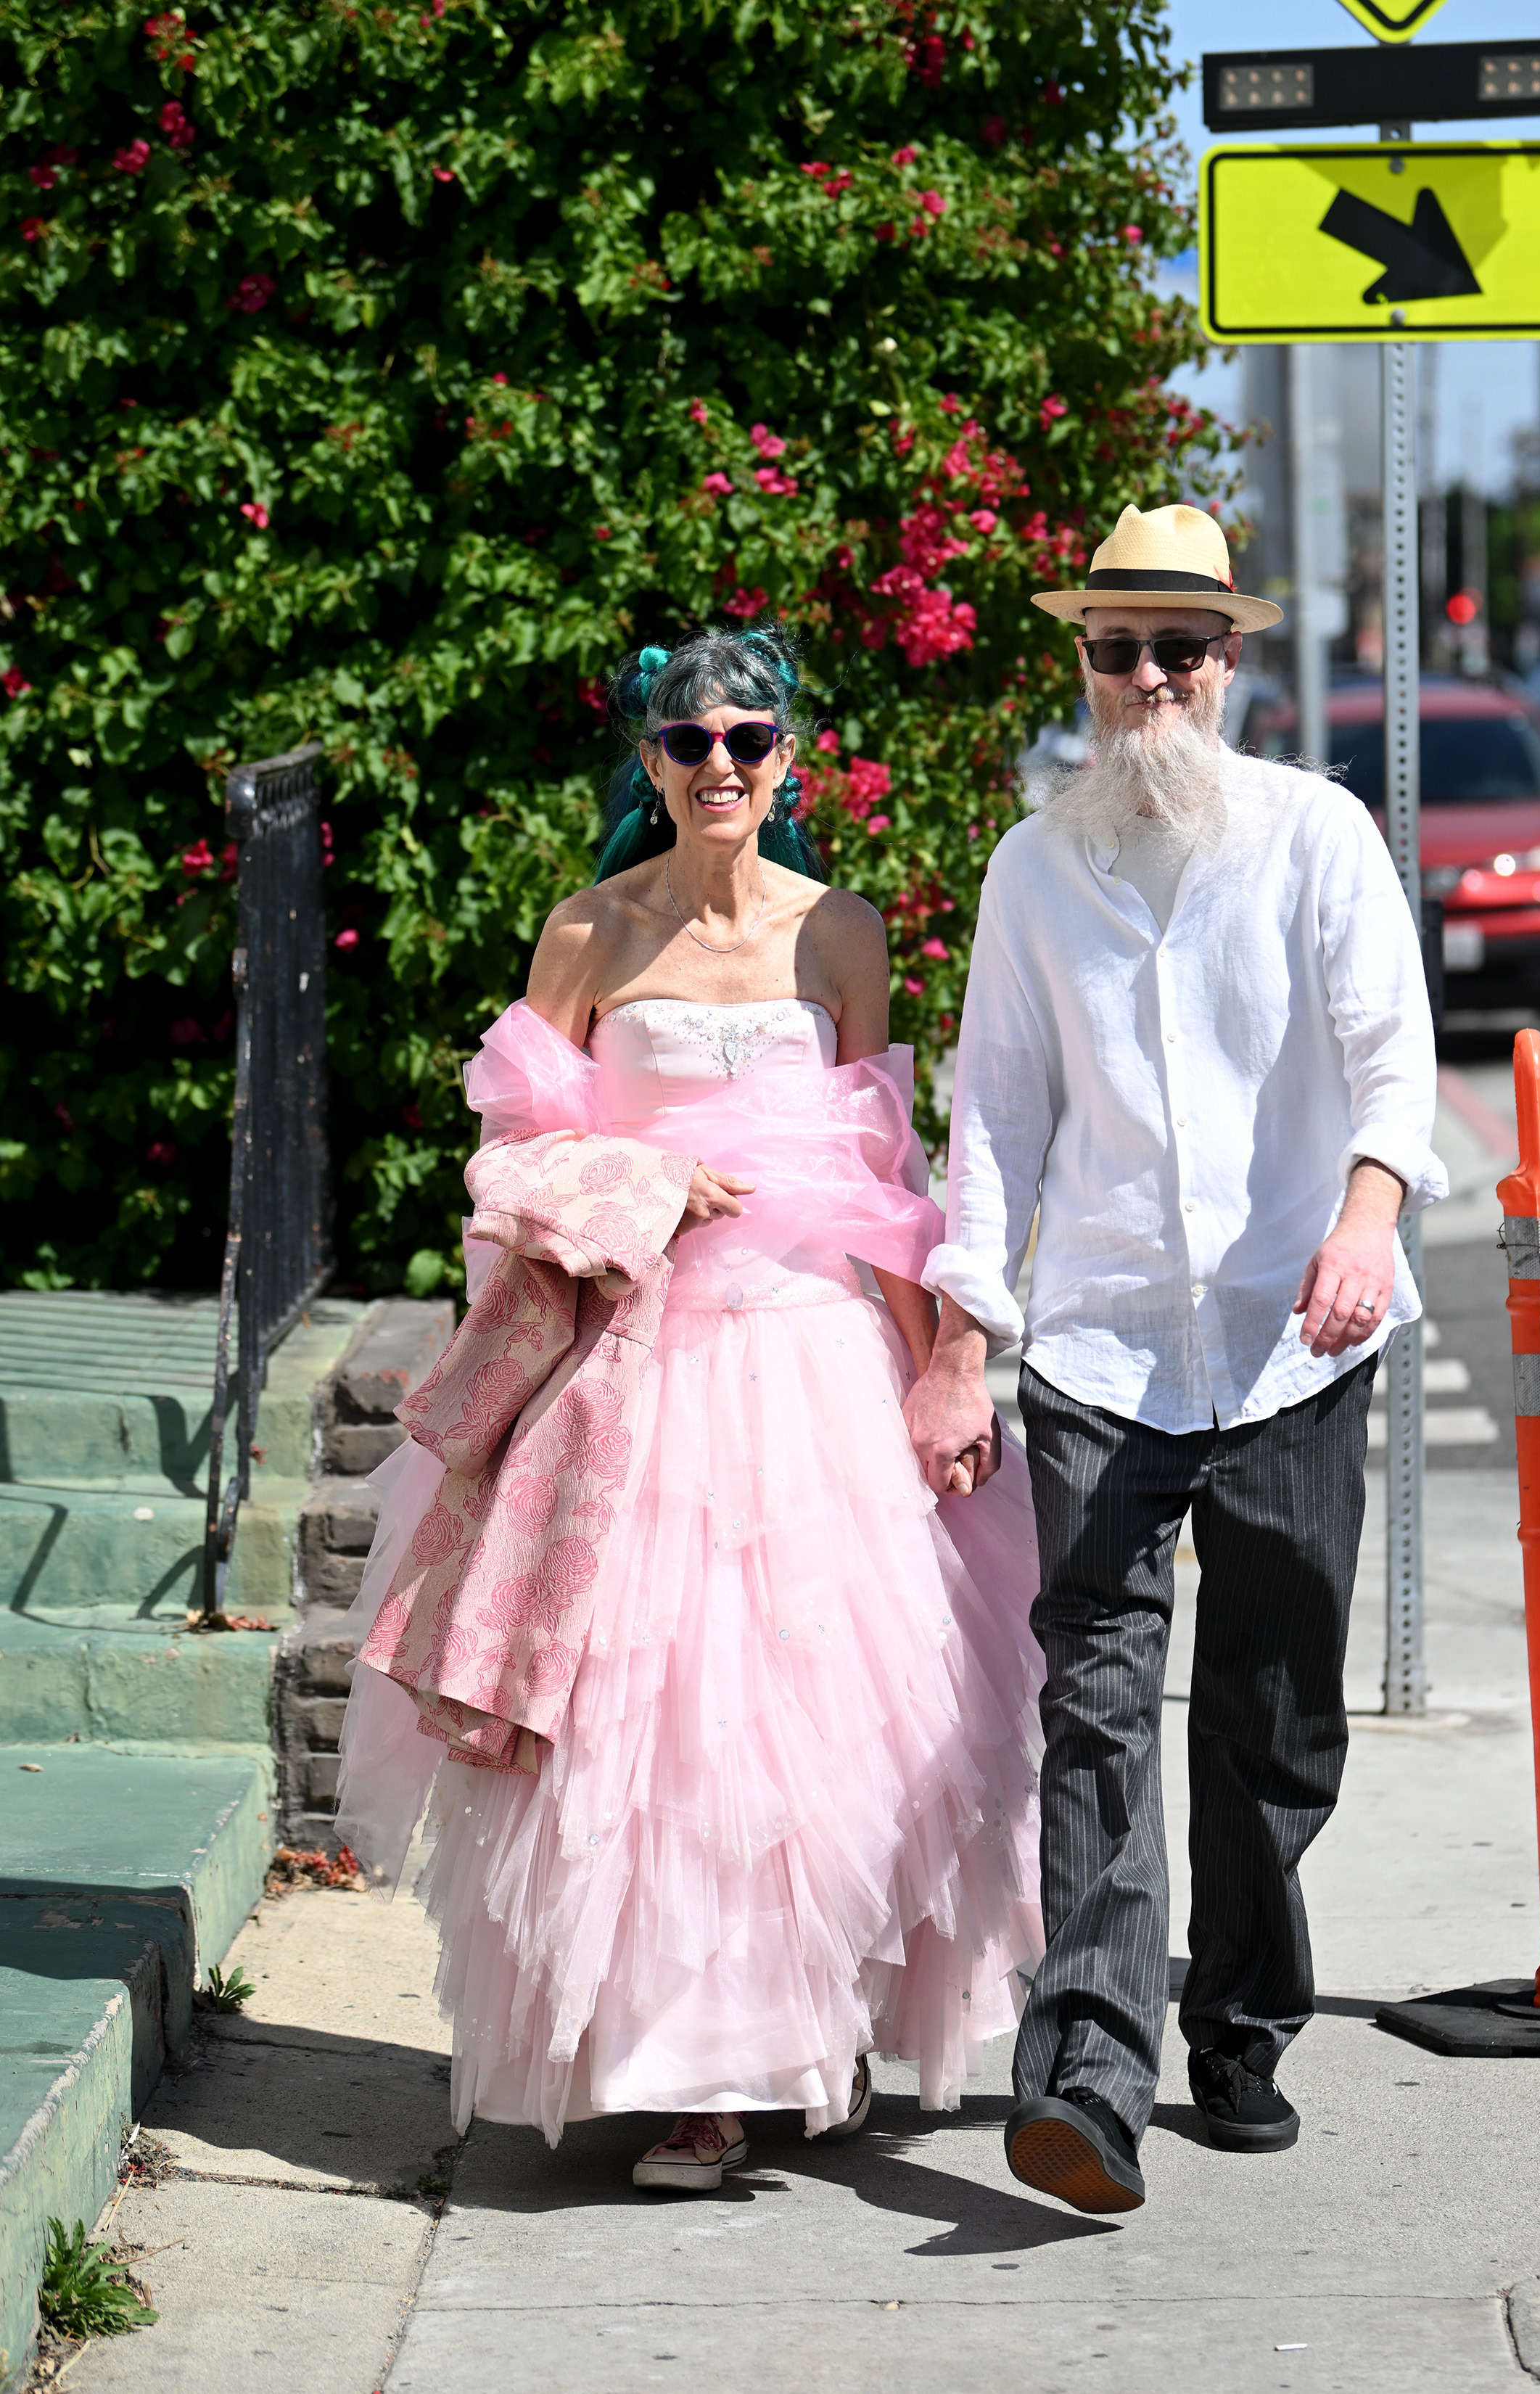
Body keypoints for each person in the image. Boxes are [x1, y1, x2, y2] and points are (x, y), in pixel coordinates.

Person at [335, 623, 1044, 2193]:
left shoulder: (839, 934)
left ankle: (795, 2039)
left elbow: (885, 1177)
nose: (719, 763)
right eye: (688, 740)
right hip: (638, 1372)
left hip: (814, 1368)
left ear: (793, 757)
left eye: (748, 738)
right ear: (649, 761)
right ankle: (694, 2081)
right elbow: (507, 1166)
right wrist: (644, 1176)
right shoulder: (588, 934)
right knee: (648, 1737)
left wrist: (942, 1371)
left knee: (820, 1736)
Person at [904, 503, 1447, 2216]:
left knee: (1277, 1717)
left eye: (1180, 650)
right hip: (1101, 1348)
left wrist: (1365, 1224)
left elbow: (1394, 1065)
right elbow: (992, 1116)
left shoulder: (1317, 837)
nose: (1148, 679)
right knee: (1098, 1706)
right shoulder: (1029, 869)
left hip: (1296, 1338)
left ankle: (1242, 2019)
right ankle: (1086, 2072)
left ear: (1230, 666)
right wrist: (957, 1336)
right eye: (1117, 648)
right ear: (1081, 663)